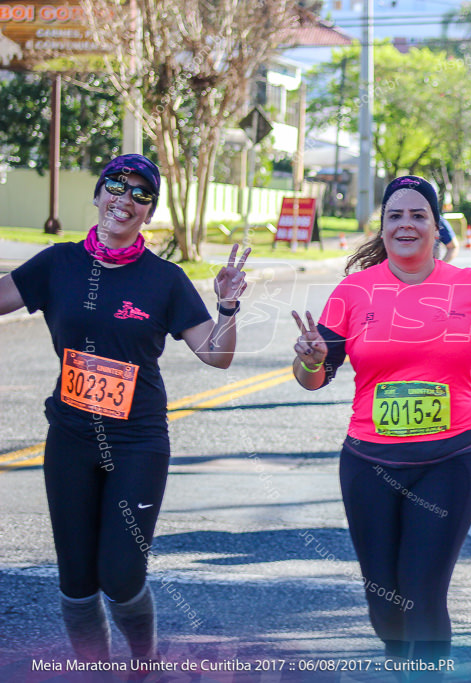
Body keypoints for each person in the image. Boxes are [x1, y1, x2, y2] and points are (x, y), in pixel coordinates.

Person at [290, 175, 471, 666]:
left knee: (422, 595)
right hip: (368, 463)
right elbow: (315, 377)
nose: (406, 224)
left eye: (418, 216)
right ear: (383, 227)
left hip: (448, 459)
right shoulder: (354, 291)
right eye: (396, 216)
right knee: (384, 604)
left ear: (437, 229)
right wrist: (308, 358)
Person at [0, 154, 249, 664]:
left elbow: (217, 355)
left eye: (141, 194)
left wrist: (226, 306)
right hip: (70, 437)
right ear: (97, 195)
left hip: (137, 442)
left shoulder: (165, 279)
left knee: (120, 574)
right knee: (75, 581)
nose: (125, 199)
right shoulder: (56, 264)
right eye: (116, 185)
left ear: (149, 213)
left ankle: (142, 665)